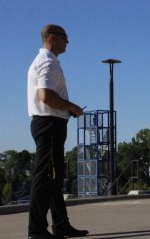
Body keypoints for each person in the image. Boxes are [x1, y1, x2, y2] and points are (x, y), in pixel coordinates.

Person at [27, 24, 89, 239]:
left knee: (54, 178)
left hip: (48, 123)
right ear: (52, 37)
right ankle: (36, 230)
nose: (68, 42)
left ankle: (61, 224)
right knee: (45, 177)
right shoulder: (48, 62)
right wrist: (71, 107)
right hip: (49, 124)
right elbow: (45, 96)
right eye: (65, 37)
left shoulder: (45, 60)